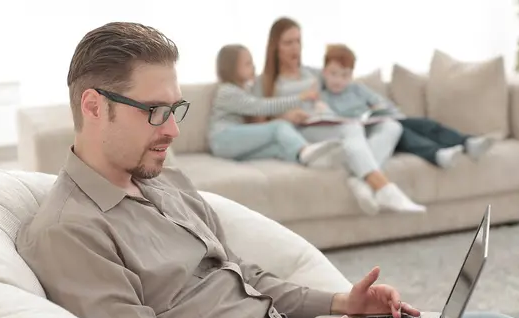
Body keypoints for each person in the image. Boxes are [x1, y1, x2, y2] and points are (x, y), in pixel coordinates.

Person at [15, 21, 519, 318]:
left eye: (175, 109)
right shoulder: (71, 231)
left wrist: (341, 304)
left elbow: (244, 277)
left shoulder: (164, 180)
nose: (173, 129)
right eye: (155, 111)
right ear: (92, 106)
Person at [252, 20, 425, 215]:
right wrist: (285, 116)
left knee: (392, 127)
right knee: (350, 128)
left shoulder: (313, 73)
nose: (295, 48)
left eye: (298, 41)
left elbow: (343, 85)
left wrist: (373, 104)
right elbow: (259, 125)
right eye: (288, 42)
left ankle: (361, 181)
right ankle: (384, 188)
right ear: (275, 46)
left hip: (327, 123)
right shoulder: (264, 81)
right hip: (301, 132)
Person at [317, 44, 496, 169]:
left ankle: (467, 142)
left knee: (424, 124)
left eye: (345, 75)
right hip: (370, 135)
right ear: (324, 72)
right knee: (401, 132)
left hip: (381, 119)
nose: (339, 80)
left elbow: (381, 102)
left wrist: (379, 109)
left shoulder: (357, 88)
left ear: (351, 75)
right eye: (334, 74)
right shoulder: (322, 97)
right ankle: (437, 155)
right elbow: (331, 123)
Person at [208, 44, 343, 169]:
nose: (254, 67)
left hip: (231, 145)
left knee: (279, 148)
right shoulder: (227, 92)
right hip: (223, 139)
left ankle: (314, 160)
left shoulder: (244, 90)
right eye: (248, 64)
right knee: (279, 127)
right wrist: (300, 98)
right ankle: (306, 149)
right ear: (232, 68)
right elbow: (261, 107)